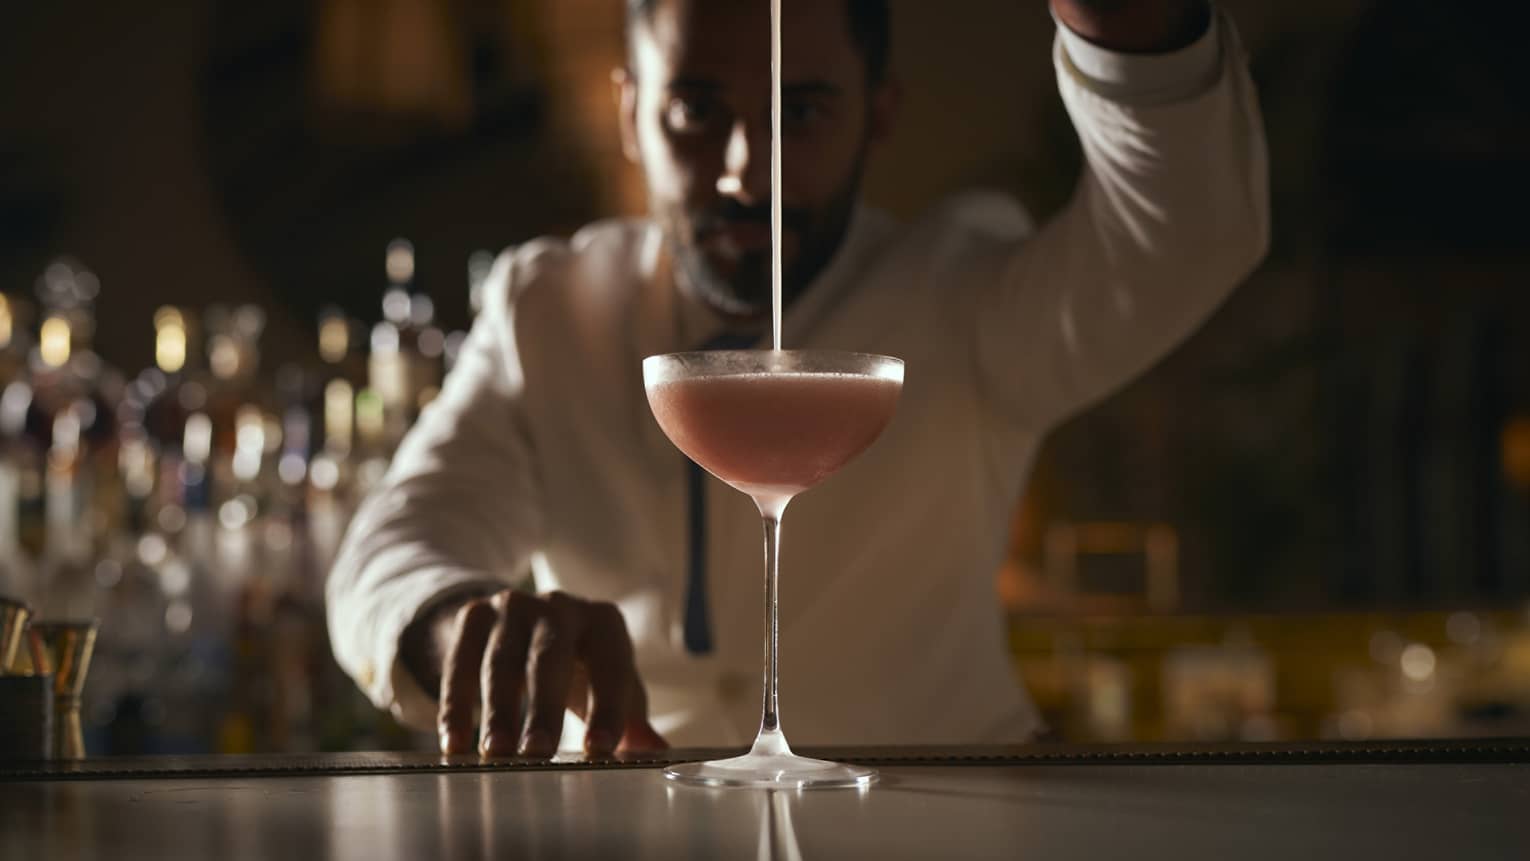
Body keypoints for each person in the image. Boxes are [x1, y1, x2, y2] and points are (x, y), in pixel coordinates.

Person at [327, 0, 1268, 758]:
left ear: (882, 110)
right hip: (631, 822)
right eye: (697, 109)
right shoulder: (549, 308)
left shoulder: (968, 295)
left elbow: (1188, 235)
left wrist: (1128, 31)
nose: (747, 170)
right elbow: (391, 549)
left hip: (946, 823)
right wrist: (462, 627)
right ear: (630, 115)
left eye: (803, 111)